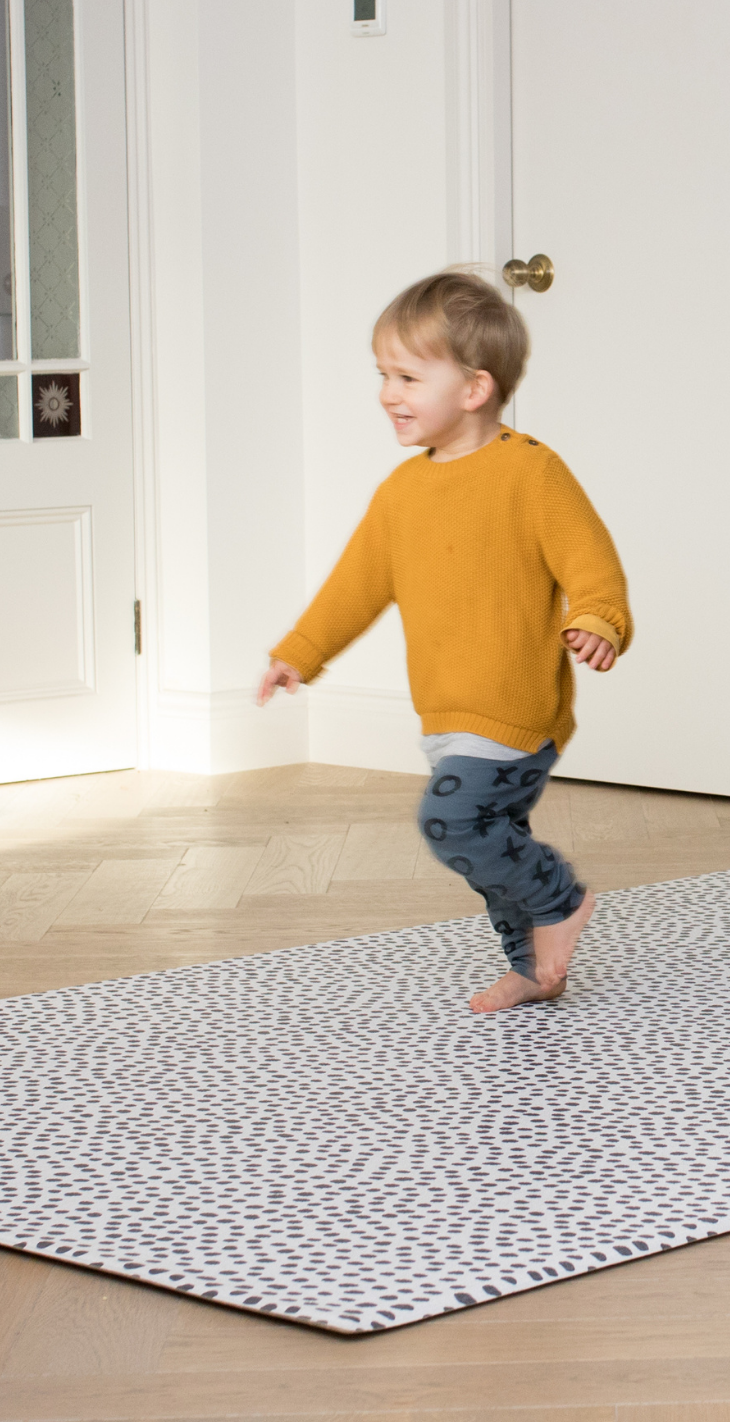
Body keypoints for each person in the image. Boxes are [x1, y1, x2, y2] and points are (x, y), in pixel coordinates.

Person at [258, 271, 632, 1013]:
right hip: (447, 715)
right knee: (491, 850)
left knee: (451, 821)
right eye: (382, 375)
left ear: (473, 389)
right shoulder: (402, 493)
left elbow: (592, 563)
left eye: (406, 376)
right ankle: (533, 968)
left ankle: (562, 903)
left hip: (517, 711)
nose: (387, 393)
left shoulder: (532, 473)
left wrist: (597, 620)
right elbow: (355, 585)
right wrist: (301, 649)